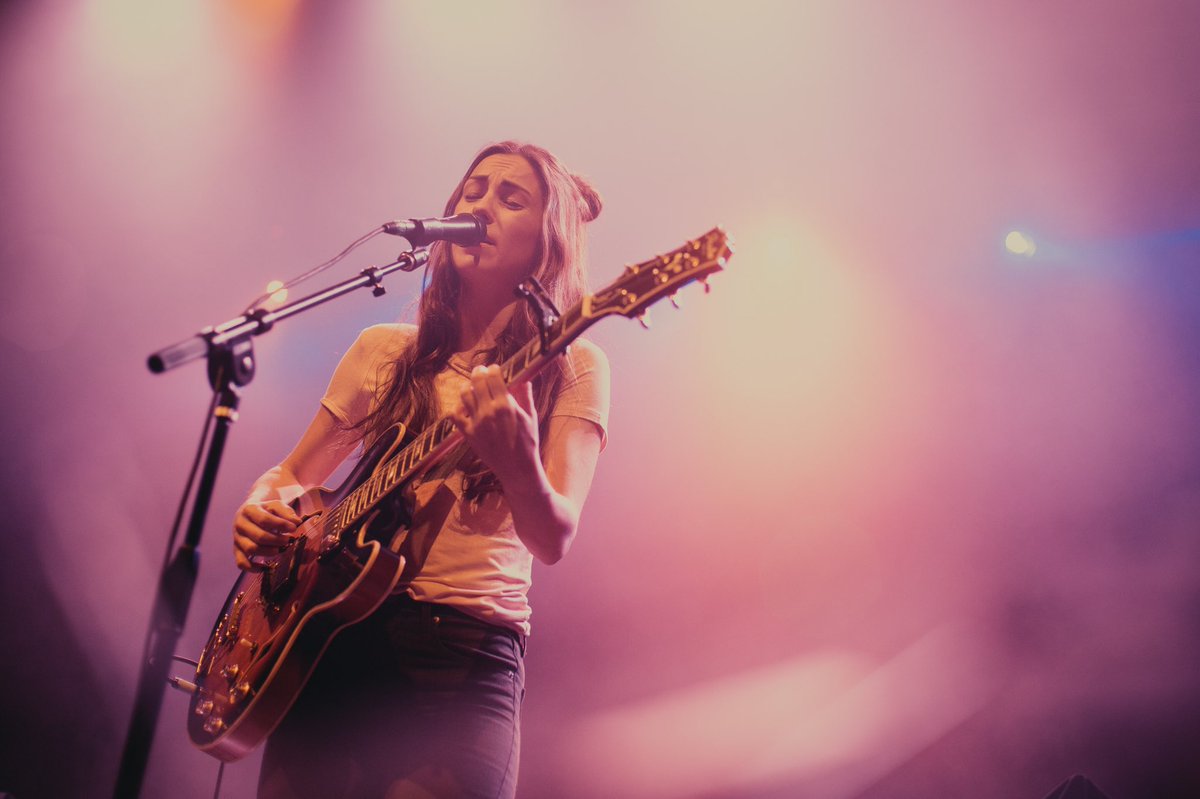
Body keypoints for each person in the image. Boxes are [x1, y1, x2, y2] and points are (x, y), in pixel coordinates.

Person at [231, 141, 609, 798]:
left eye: (509, 197)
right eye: (473, 190)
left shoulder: (573, 367)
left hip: (460, 659)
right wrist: (263, 505)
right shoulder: (383, 350)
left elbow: (553, 539)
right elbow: (289, 474)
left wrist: (519, 465)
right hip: (333, 639)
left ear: (546, 242)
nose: (480, 205)